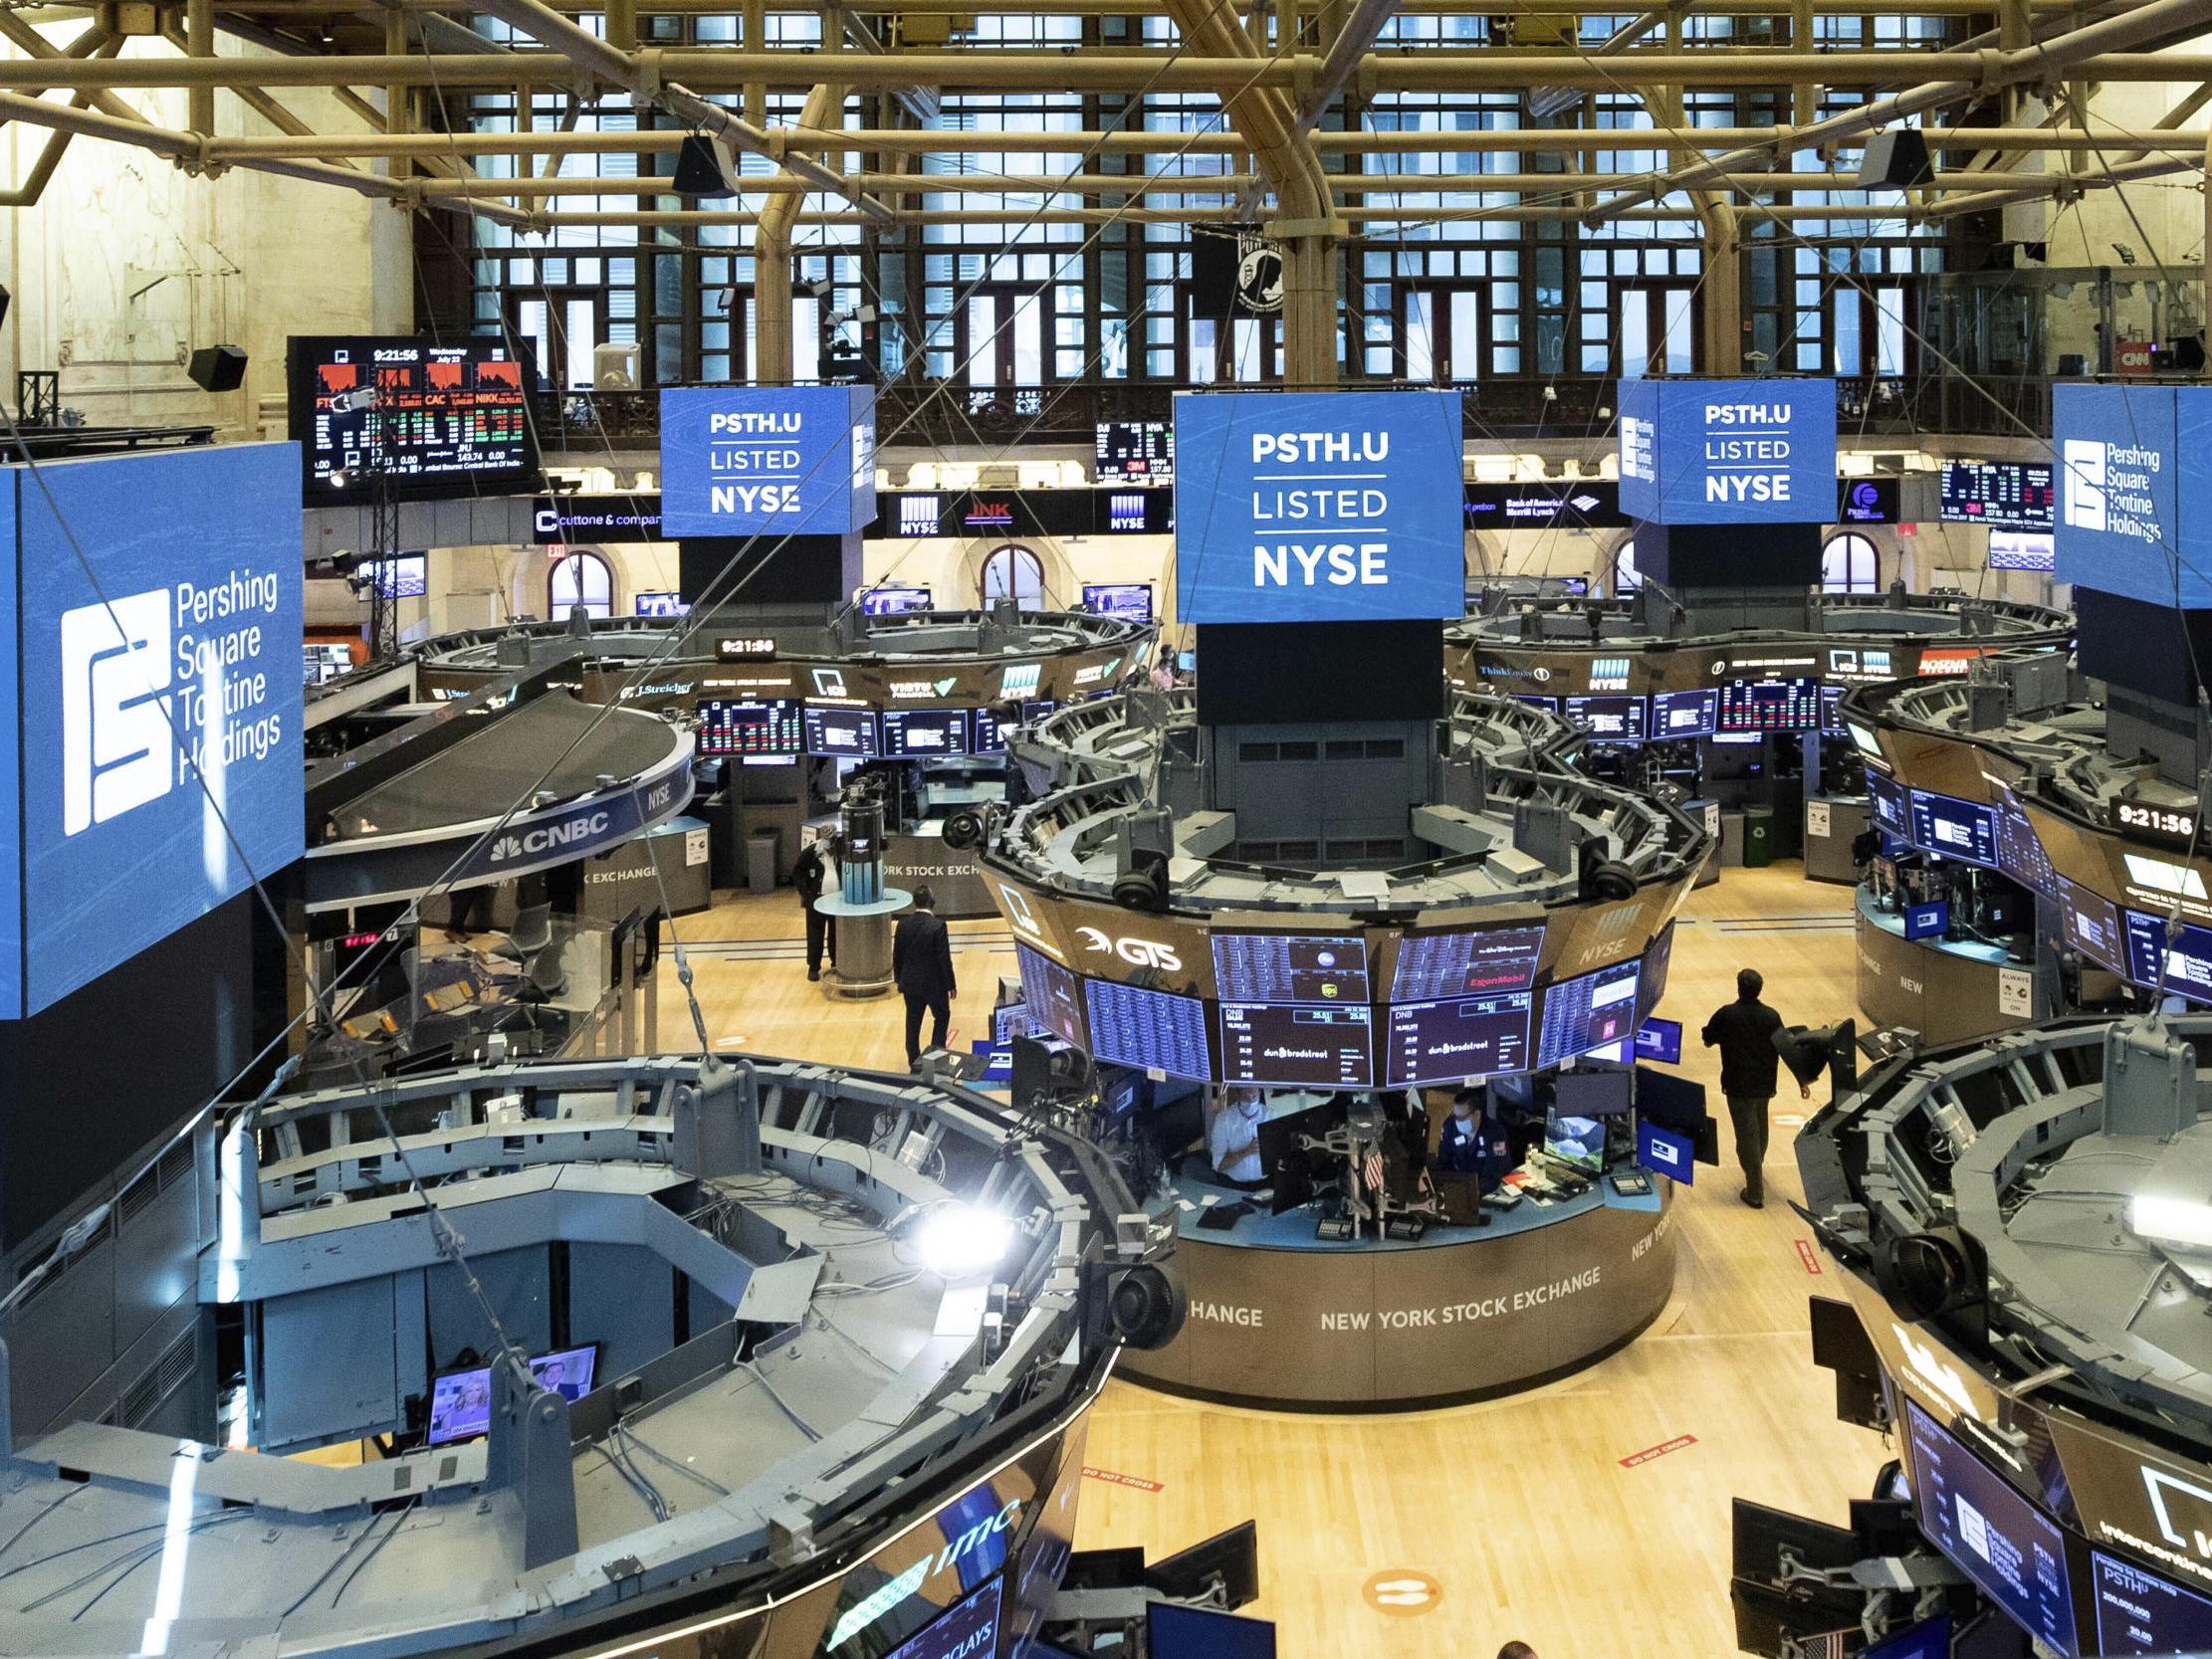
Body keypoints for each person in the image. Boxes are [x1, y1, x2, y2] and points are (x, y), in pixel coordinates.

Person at [1700, 966, 1808, 1209]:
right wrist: (1802, 1080)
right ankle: (1755, 1170)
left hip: (1737, 1086)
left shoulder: (1727, 1015)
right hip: (1764, 1085)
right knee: (1759, 1131)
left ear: (1739, 988)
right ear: (1760, 990)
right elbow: (1786, 1048)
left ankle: (1755, 1189)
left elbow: (1708, 1038)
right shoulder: (1771, 1016)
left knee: (1746, 1136)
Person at [892, 884, 957, 1067]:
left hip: (910, 984)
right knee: (942, 1016)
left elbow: (897, 955)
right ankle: (936, 1060)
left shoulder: (903, 924)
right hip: (934, 985)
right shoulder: (938, 926)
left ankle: (913, 1061)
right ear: (931, 901)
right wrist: (950, 984)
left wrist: (899, 979)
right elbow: (944, 959)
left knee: (912, 1024)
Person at [1436, 1088, 1512, 1188]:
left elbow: (1495, 1172)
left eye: (1462, 1118)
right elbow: (1444, 1162)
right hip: (1460, 1185)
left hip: (1488, 1188)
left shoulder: (1495, 1133)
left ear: (1477, 1114)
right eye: (1456, 1116)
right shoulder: (1450, 1127)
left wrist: (1475, 1192)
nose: (1457, 1122)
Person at [792, 833, 839, 981]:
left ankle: (837, 962)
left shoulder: (840, 850)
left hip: (837, 901)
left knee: (836, 933)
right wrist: (806, 895)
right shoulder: (811, 852)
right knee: (815, 935)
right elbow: (797, 871)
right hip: (816, 901)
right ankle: (813, 966)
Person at [1207, 1088, 1267, 1184]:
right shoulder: (1223, 1119)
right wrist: (1247, 1151)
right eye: (1245, 1097)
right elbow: (1219, 1165)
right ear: (1237, 1095)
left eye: (1254, 1097)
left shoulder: (1270, 1116)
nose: (1250, 1101)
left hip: (1265, 1183)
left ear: (1259, 1093)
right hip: (1233, 1184)